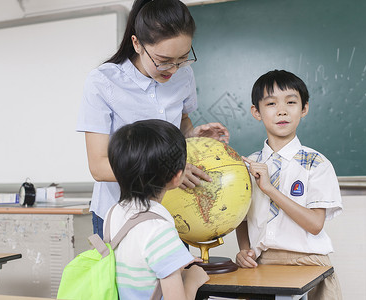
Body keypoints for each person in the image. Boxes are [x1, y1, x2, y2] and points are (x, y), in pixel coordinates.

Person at [76, 0, 229, 238]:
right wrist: (166, 171)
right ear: (137, 44)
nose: (174, 69)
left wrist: (192, 136)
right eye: (164, 60)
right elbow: (99, 167)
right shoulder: (103, 82)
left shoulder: (184, 76)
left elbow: (182, 121)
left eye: (183, 58)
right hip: (117, 215)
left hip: (172, 211)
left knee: (175, 275)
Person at [235, 70, 343, 299]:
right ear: (257, 112)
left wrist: (270, 190)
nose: (282, 110)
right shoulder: (248, 165)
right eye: (271, 103)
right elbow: (241, 218)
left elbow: (315, 224)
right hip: (261, 265)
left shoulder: (316, 163)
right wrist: (244, 250)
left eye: (291, 102)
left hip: (308, 264)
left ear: (304, 109)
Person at [104, 119, 209, 299]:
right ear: (177, 177)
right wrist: (192, 279)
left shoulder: (113, 213)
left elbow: (140, 269)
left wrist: (174, 262)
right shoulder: (159, 230)